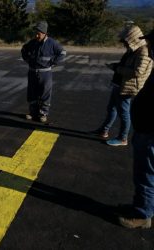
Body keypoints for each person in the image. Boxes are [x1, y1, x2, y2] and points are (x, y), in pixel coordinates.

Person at [92, 25, 152, 146]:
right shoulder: (133, 50)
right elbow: (127, 65)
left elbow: (138, 72)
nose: (124, 43)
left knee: (124, 113)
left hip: (127, 88)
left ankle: (123, 138)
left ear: (132, 39)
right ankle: (104, 130)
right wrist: (116, 66)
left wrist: (117, 68)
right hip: (119, 84)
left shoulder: (143, 51)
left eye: (125, 40)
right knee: (111, 108)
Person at [118, 29, 154, 229]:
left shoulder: (142, 54)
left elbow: (138, 72)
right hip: (146, 130)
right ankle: (142, 207)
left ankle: (142, 215)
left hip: (149, 133)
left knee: (145, 176)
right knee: (145, 175)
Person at [21, 21, 66, 123]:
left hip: (45, 73)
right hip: (32, 72)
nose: (37, 35)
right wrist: (27, 59)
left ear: (44, 33)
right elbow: (24, 49)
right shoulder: (33, 42)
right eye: (36, 33)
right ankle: (33, 112)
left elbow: (62, 52)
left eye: (39, 33)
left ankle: (43, 113)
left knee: (45, 93)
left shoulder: (52, 43)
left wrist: (53, 62)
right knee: (32, 93)